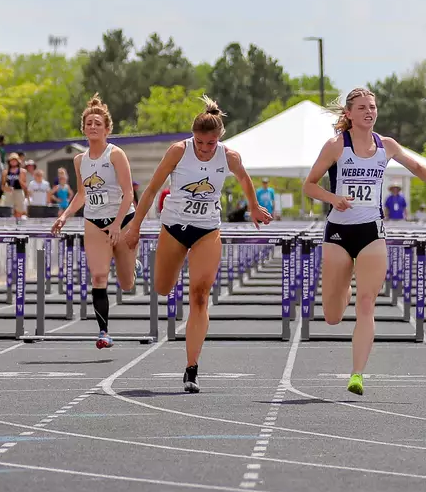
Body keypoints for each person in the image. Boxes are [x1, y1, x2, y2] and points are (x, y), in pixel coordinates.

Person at [304, 87, 426, 395]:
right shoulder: (336, 146)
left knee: (367, 303)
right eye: (361, 108)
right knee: (332, 316)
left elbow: (415, 166)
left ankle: (357, 374)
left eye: (372, 107)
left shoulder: (385, 145)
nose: (369, 112)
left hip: (372, 231)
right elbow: (309, 186)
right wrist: (333, 198)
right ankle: (342, 284)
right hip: (338, 231)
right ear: (348, 114)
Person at [125, 98, 271, 393]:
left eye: (211, 142)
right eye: (201, 142)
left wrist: (254, 206)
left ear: (220, 138)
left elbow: (244, 178)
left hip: (207, 229)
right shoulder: (179, 151)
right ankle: (152, 268)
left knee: (200, 295)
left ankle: (191, 368)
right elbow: (152, 188)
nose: (205, 148)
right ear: (193, 137)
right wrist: (135, 226)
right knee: (163, 288)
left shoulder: (228, 156)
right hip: (174, 226)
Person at [52, 95, 139, 348]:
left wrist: (117, 223)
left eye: (97, 123)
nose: (92, 127)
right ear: (83, 128)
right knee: (99, 276)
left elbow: (128, 193)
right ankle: (104, 332)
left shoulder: (116, 155)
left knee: (127, 283)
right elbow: (81, 194)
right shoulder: (80, 160)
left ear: (107, 128)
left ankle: (135, 265)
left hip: (123, 220)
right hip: (94, 221)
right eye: (89, 123)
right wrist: (65, 216)